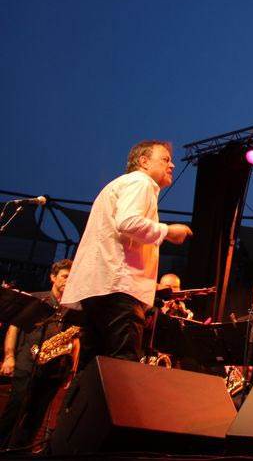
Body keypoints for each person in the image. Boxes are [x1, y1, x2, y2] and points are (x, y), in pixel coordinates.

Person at [61, 141, 192, 362]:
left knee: (93, 365)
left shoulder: (119, 185)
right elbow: (127, 222)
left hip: (98, 288)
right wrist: (168, 231)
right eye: (165, 160)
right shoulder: (141, 182)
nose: (172, 166)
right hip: (119, 290)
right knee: (122, 365)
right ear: (144, 162)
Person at [0, 260, 75, 449]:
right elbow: (14, 329)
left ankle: (21, 451)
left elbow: (75, 340)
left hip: (54, 369)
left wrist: (71, 368)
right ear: (53, 277)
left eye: (71, 277)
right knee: (15, 408)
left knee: (36, 416)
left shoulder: (73, 308)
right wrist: (9, 357)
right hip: (27, 362)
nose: (68, 281)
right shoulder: (36, 299)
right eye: (65, 276)